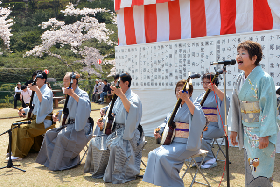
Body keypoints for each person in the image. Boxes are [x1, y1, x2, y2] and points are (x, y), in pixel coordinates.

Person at [230, 40, 278, 186]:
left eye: (243, 53)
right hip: (247, 131)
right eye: (238, 53)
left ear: (254, 58)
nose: (238, 56)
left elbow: (269, 107)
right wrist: (233, 129)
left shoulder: (264, 78)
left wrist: (265, 134)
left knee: (261, 170)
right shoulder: (240, 79)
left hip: (261, 132)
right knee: (251, 167)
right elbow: (234, 104)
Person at [142, 79, 206, 187]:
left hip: (188, 143)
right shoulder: (176, 108)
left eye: (182, 90)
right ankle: (165, 184)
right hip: (174, 142)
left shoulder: (195, 105)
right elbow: (166, 122)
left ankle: (176, 184)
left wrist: (187, 100)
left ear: (189, 93)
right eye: (177, 90)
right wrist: (159, 131)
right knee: (153, 154)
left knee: (163, 156)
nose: (179, 92)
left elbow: (199, 119)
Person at [84, 72, 145, 184]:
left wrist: (121, 95)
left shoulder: (134, 97)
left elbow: (132, 111)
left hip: (129, 132)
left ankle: (117, 174)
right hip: (115, 131)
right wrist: (103, 123)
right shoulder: (117, 98)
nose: (116, 86)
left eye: (118, 83)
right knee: (95, 141)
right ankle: (100, 171)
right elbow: (112, 115)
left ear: (126, 83)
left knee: (116, 145)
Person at [35, 72, 93, 171]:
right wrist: (58, 114)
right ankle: (50, 161)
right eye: (63, 81)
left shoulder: (82, 94)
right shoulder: (69, 94)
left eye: (66, 80)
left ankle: (65, 162)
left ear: (74, 81)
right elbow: (68, 110)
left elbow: (86, 106)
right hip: (70, 125)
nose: (64, 83)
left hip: (81, 126)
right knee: (49, 133)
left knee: (62, 135)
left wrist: (73, 95)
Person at [11, 71, 56, 160]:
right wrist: (24, 109)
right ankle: (13, 150)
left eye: (37, 79)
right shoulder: (37, 91)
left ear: (44, 80)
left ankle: (19, 154)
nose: (35, 81)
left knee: (23, 129)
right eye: (35, 79)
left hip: (45, 121)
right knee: (15, 125)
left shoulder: (47, 91)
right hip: (36, 118)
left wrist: (37, 90)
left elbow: (44, 105)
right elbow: (35, 108)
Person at [194, 73, 230, 169]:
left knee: (201, 135)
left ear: (214, 83)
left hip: (215, 126)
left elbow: (225, 100)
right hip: (203, 126)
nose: (205, 84)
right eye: (203, 82)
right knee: (192, 134)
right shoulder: (201, 96)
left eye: (208, 82)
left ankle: (210, 159)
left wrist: (215, 89)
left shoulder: (217, 94)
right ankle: (198, 159)